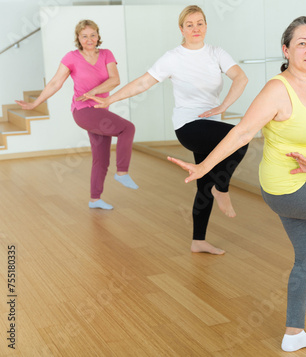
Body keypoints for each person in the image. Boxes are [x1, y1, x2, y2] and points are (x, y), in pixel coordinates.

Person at [168, 16, 306, 353]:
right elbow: (241, 132)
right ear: (286, 49)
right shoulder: (277, 89)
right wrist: (203, 166)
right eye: (302, 43)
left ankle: (294, 333)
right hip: (287, 187)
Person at [88, 5, 248, 255]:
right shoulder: (173, 57)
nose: (196, 28)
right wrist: (111, 99)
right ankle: (222, 189)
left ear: (206, 26)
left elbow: (241, 78)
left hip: (210, 124)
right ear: (181, 29)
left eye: (200, 23)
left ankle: (198, 240)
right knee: (242, 137)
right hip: (188, 126)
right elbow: (143, 82)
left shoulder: (217, 53)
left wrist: (224, 105)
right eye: (190, 24)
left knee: (203, 182)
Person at [16, 20, 137, 210]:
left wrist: (95, 91)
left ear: (98, 36)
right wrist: (35, 103)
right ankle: (122, 172)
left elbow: (115, 80)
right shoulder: (71, 57)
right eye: (84, 36)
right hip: (83, 112)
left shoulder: (106, 54)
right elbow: (55, 83)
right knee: (127, 128)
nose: (89, 39)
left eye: (93, 35)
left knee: (101, 158)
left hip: (100, 111)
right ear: (78, 38)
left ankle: (95, 199)